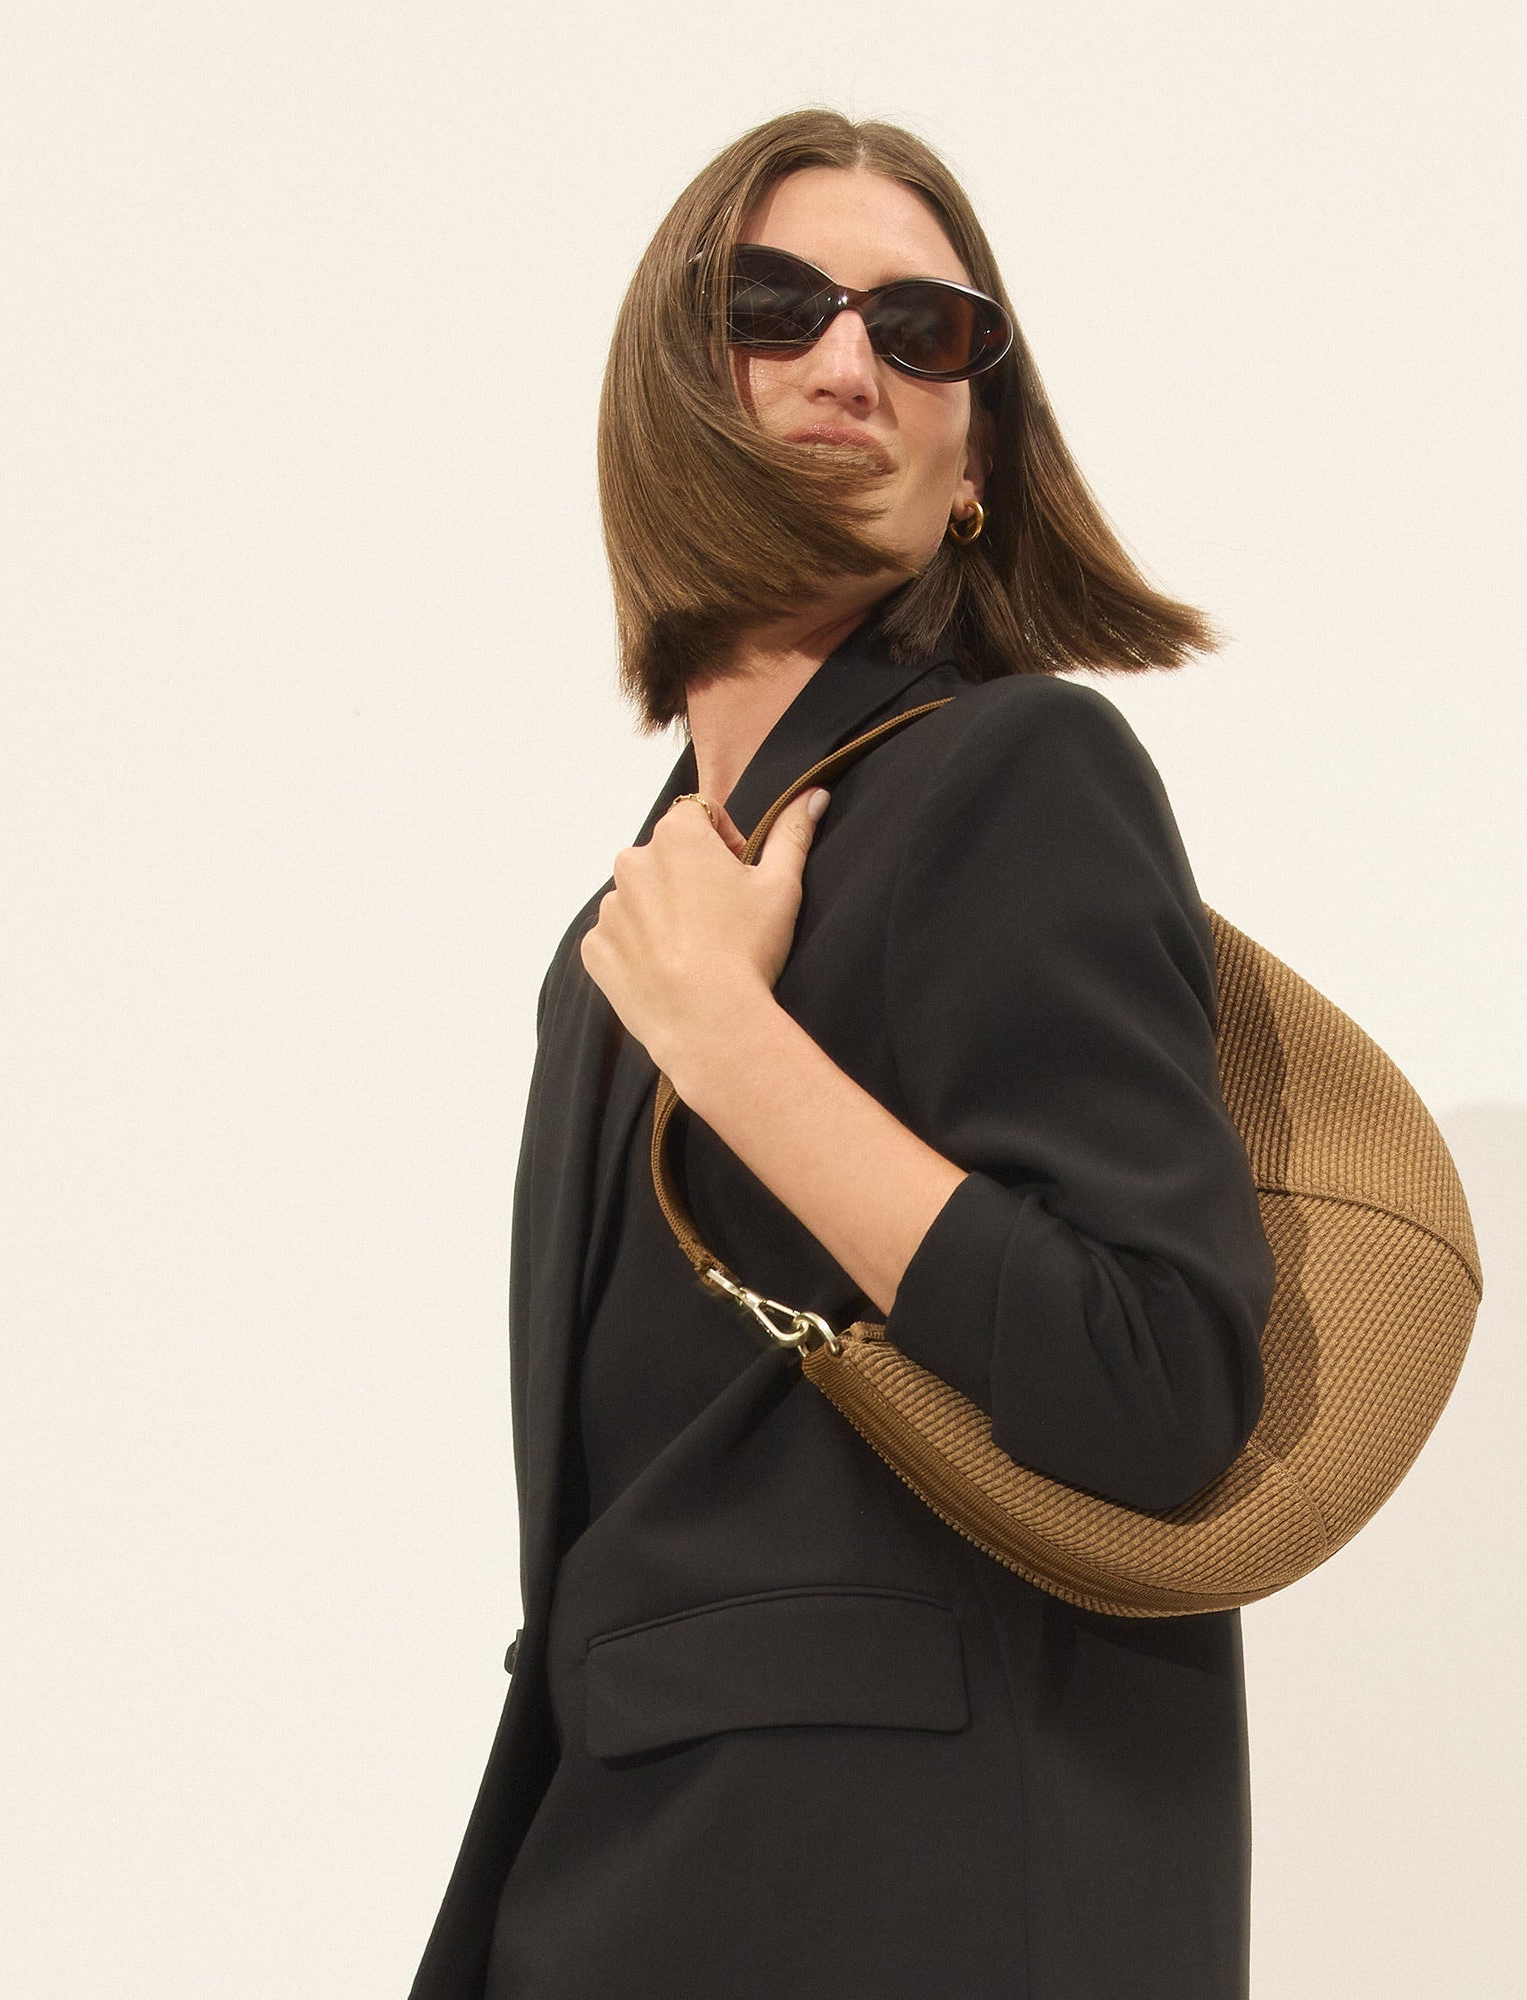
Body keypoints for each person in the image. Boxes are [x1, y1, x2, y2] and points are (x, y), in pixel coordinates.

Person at [408, 108, 1274, 2000]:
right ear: (671, 384)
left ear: (980, 453)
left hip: (912, 1892)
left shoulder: (1017, 770)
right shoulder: (619, 943)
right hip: (613, 1873)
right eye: (775, 307)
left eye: (923, 329)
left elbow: (1159, 1380)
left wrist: (737, 1045)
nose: (847, 364)